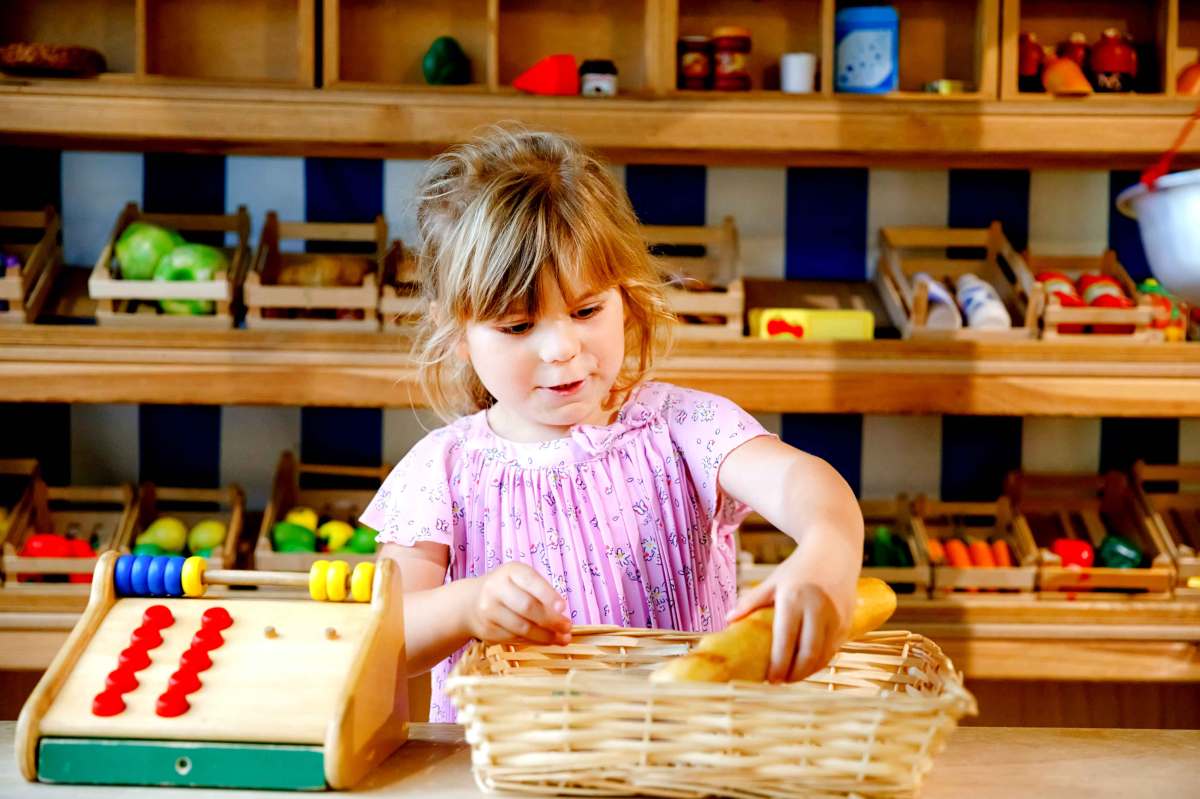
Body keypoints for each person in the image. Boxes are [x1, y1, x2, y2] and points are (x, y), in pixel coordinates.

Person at [360, 127, 863, 721]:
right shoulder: (439, 471)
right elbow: (385, 635)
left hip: (681, 763)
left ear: (627, 298)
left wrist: (826, 554)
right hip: (512, 773)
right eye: (518, 326)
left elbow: (803, 484)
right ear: (459, 333)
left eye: (586, 310)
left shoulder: (682, 428)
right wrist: (466, 607)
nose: (561, 349)